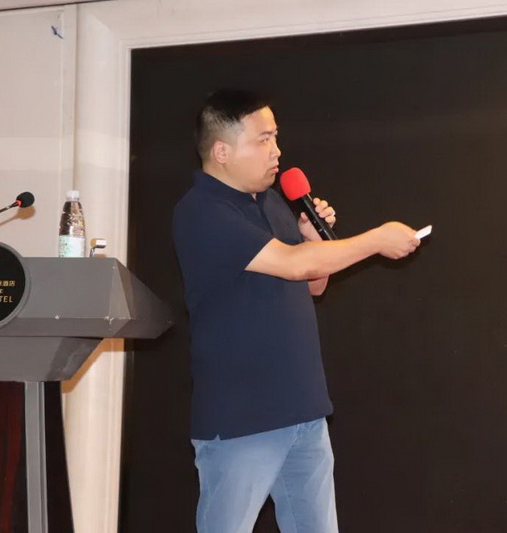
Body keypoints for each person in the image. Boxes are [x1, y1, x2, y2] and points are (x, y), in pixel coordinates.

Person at [172, 88, 421, 533]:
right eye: (263, 139)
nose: (277, 151)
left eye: (275, 137)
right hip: (243, 418)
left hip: (302, 411)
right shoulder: (202, 211)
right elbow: (294, 265)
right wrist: (376, 240)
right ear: (222, 151)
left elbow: (312, 284)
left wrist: (311, 238)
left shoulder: (270, 202)